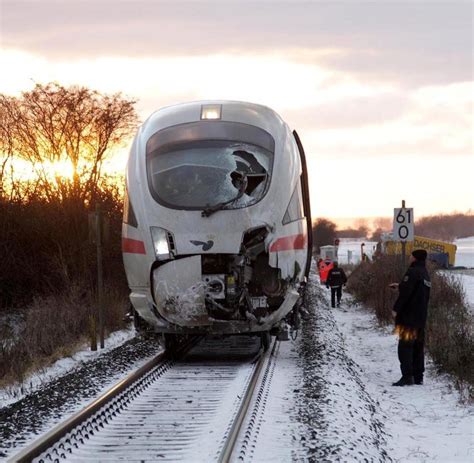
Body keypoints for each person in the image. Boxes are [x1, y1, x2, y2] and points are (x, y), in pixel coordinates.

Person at [389, 249, 431, 386]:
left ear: (414, 258)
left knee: (405, 347)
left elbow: (406, 294)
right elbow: (416, 291)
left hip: (408, 318)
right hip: (420, 318)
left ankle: (407, 376)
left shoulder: (412, 272)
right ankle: (418, 376)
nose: (409, 258)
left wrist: (396, 309)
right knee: (418, 347)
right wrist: (400, 286)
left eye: (410, 256)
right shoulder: (425, 274)